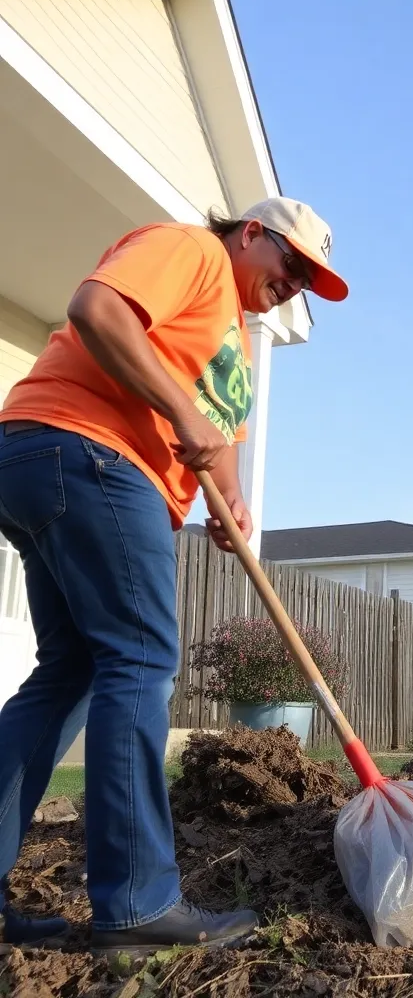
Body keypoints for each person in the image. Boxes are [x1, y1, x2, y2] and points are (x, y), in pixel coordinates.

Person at [0, 198, 347, 951]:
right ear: (251, 233)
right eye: (292, 265)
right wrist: (180, 421)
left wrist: (233, 502)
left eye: (310, 284)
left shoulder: (235, 335)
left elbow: (217, 431)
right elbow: (97, 309)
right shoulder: (190, 251)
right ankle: (137, 905)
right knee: (140, 660)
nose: (295, 287)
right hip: (86, 448)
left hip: (56, 462)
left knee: (70, 673)